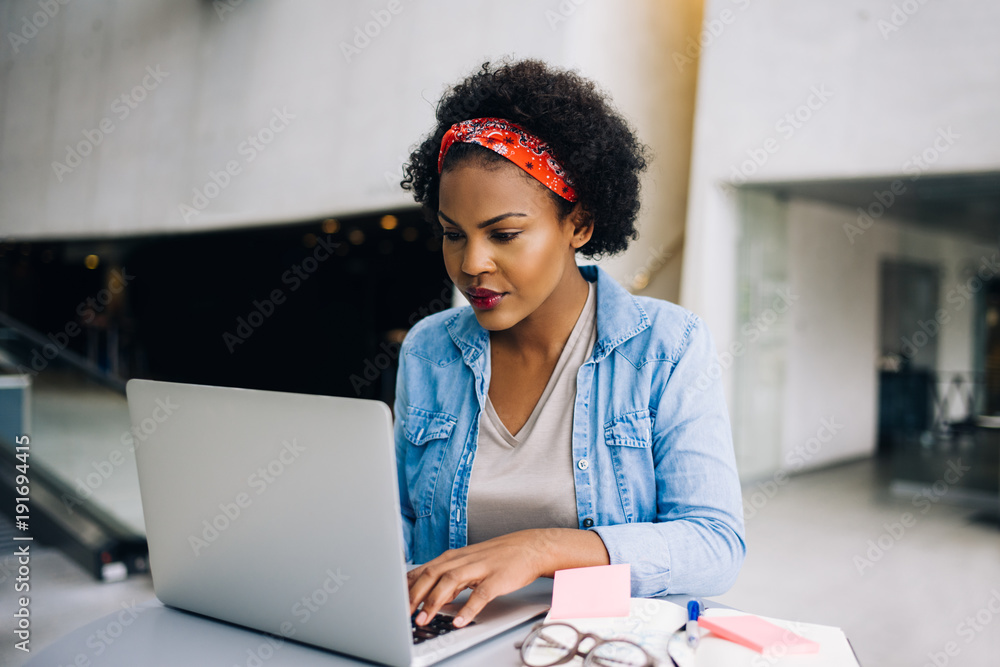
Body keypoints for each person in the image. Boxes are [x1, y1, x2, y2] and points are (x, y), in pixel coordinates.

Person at [395, 58, 745, 630]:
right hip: (450, 641)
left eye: (504, 235)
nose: (471, 264)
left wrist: (541, 548)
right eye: (453, 235)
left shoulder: (666, 346)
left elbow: (714, 545)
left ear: (578, 225)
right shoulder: (429, 349)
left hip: (596, 644)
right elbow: (400, 525)